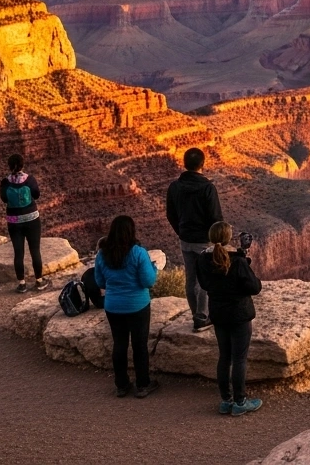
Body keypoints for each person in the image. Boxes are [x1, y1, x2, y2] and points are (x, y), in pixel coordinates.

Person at [195, 222, 263, 416]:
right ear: (228, 237)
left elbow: (205, 282)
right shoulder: (238, 262)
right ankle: (240, 402)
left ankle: (226, 401)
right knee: (239, 359)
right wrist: (245, 262)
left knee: (224, 357)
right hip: (239, 315)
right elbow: (254, 288)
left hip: (218, 314)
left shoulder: (203, 259)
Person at [93, 215, 160, 398]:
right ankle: (143, 384)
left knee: (119, 344)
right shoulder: (138, 253)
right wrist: (154, 269)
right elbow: (148, 281)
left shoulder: (102, 254)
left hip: (113, 306)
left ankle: (121, 385)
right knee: (139, 345)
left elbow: (100, 281)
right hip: (137, 305)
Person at [167, 147, 223, 333]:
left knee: (191, 278)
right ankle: (202, 317)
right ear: (202, 164)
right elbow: (216, 218)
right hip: (204, 241)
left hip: (186, 240)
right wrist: (218, 241)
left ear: (184, 164)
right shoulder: (207, 188)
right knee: (205, 279)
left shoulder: (175, 187)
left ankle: (196, 314)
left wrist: (181, 231)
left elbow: (171, 214)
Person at [1, 154, 48, 293]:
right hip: (31, 218)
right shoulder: (29, 179)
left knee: (18, 252)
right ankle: (39, 281)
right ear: (22, 165)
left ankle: (22, 284)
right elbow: (37, 195)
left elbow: (4, 199)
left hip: (14, 220)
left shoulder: (5, 181)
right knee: (35, 250)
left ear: (9, 166)